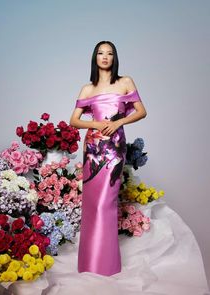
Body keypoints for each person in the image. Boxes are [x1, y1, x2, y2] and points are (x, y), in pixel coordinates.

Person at [70, 40, 147, 276]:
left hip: (114, 149)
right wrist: (95, 123)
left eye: (110, 53)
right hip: (93, 149)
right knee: (93, 204)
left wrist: (119, 122)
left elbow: (141, 111)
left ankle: (106, 265)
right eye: (100, 53)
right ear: (95, 58)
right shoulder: (88, 89)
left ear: (114, 58)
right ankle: (89, 264)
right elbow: (74, 120)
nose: (105, 57)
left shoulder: (125, 82)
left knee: (106, 203)